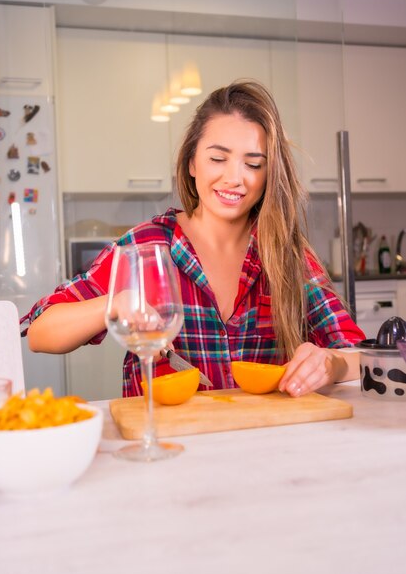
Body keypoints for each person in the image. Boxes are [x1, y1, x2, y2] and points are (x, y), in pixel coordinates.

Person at [21, 79, 365, 398]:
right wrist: (113, 303)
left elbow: (361, 355)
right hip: (169, 446)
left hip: (263, 446)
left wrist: (330, 364)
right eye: (218, 158)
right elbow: (40, 332)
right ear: (191, 163)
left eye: (254, 164)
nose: (235, 178)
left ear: (269, 174)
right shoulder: (148, 245)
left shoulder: (286, 253)